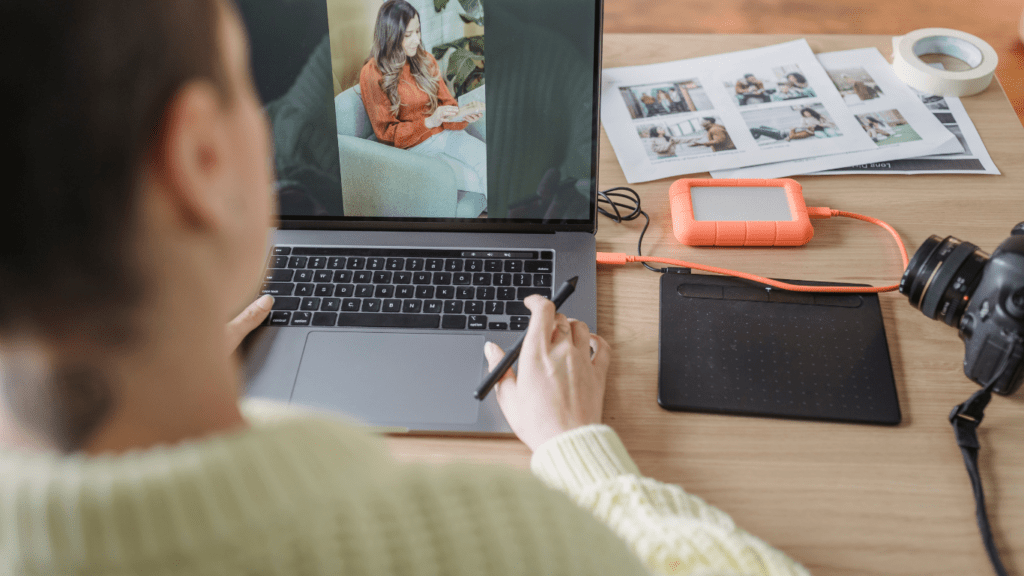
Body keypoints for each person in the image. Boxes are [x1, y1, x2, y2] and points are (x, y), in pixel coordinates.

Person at [0, 1, 810, 575]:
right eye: (243, 88)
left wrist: (164, 362)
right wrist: (578, 451)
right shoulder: (509, 542)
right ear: (201, 163)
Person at [359, 0, 487, 200]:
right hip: (414, 149)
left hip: (444, 134)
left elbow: (447, 103)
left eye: (418, 31)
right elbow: (386, 134)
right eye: (408, 35)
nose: (416, 40)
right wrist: (429, 122)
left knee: (488, 162)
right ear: (390, 35)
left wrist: (462, 115)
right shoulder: (372, 73)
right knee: (475, 180)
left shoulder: (425, 59)